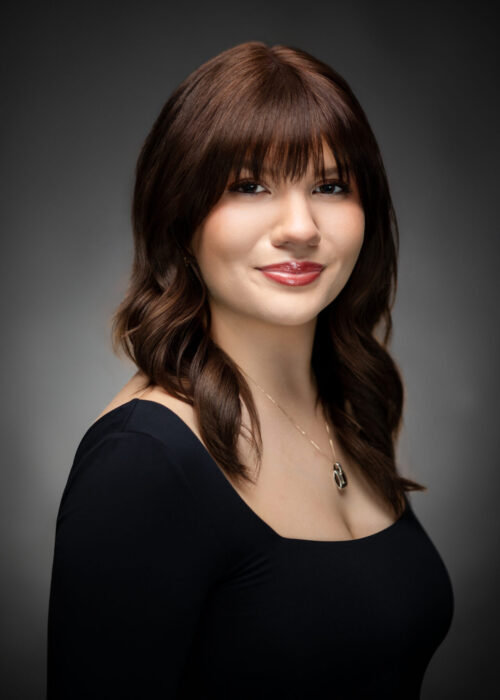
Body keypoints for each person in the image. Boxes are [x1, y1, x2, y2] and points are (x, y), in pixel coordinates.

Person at [46, 41, 454, 699]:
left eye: (330, 184)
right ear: (180, 217)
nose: (300, 226)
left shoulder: (347, 407)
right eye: (249, 185)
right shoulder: (142, 463)